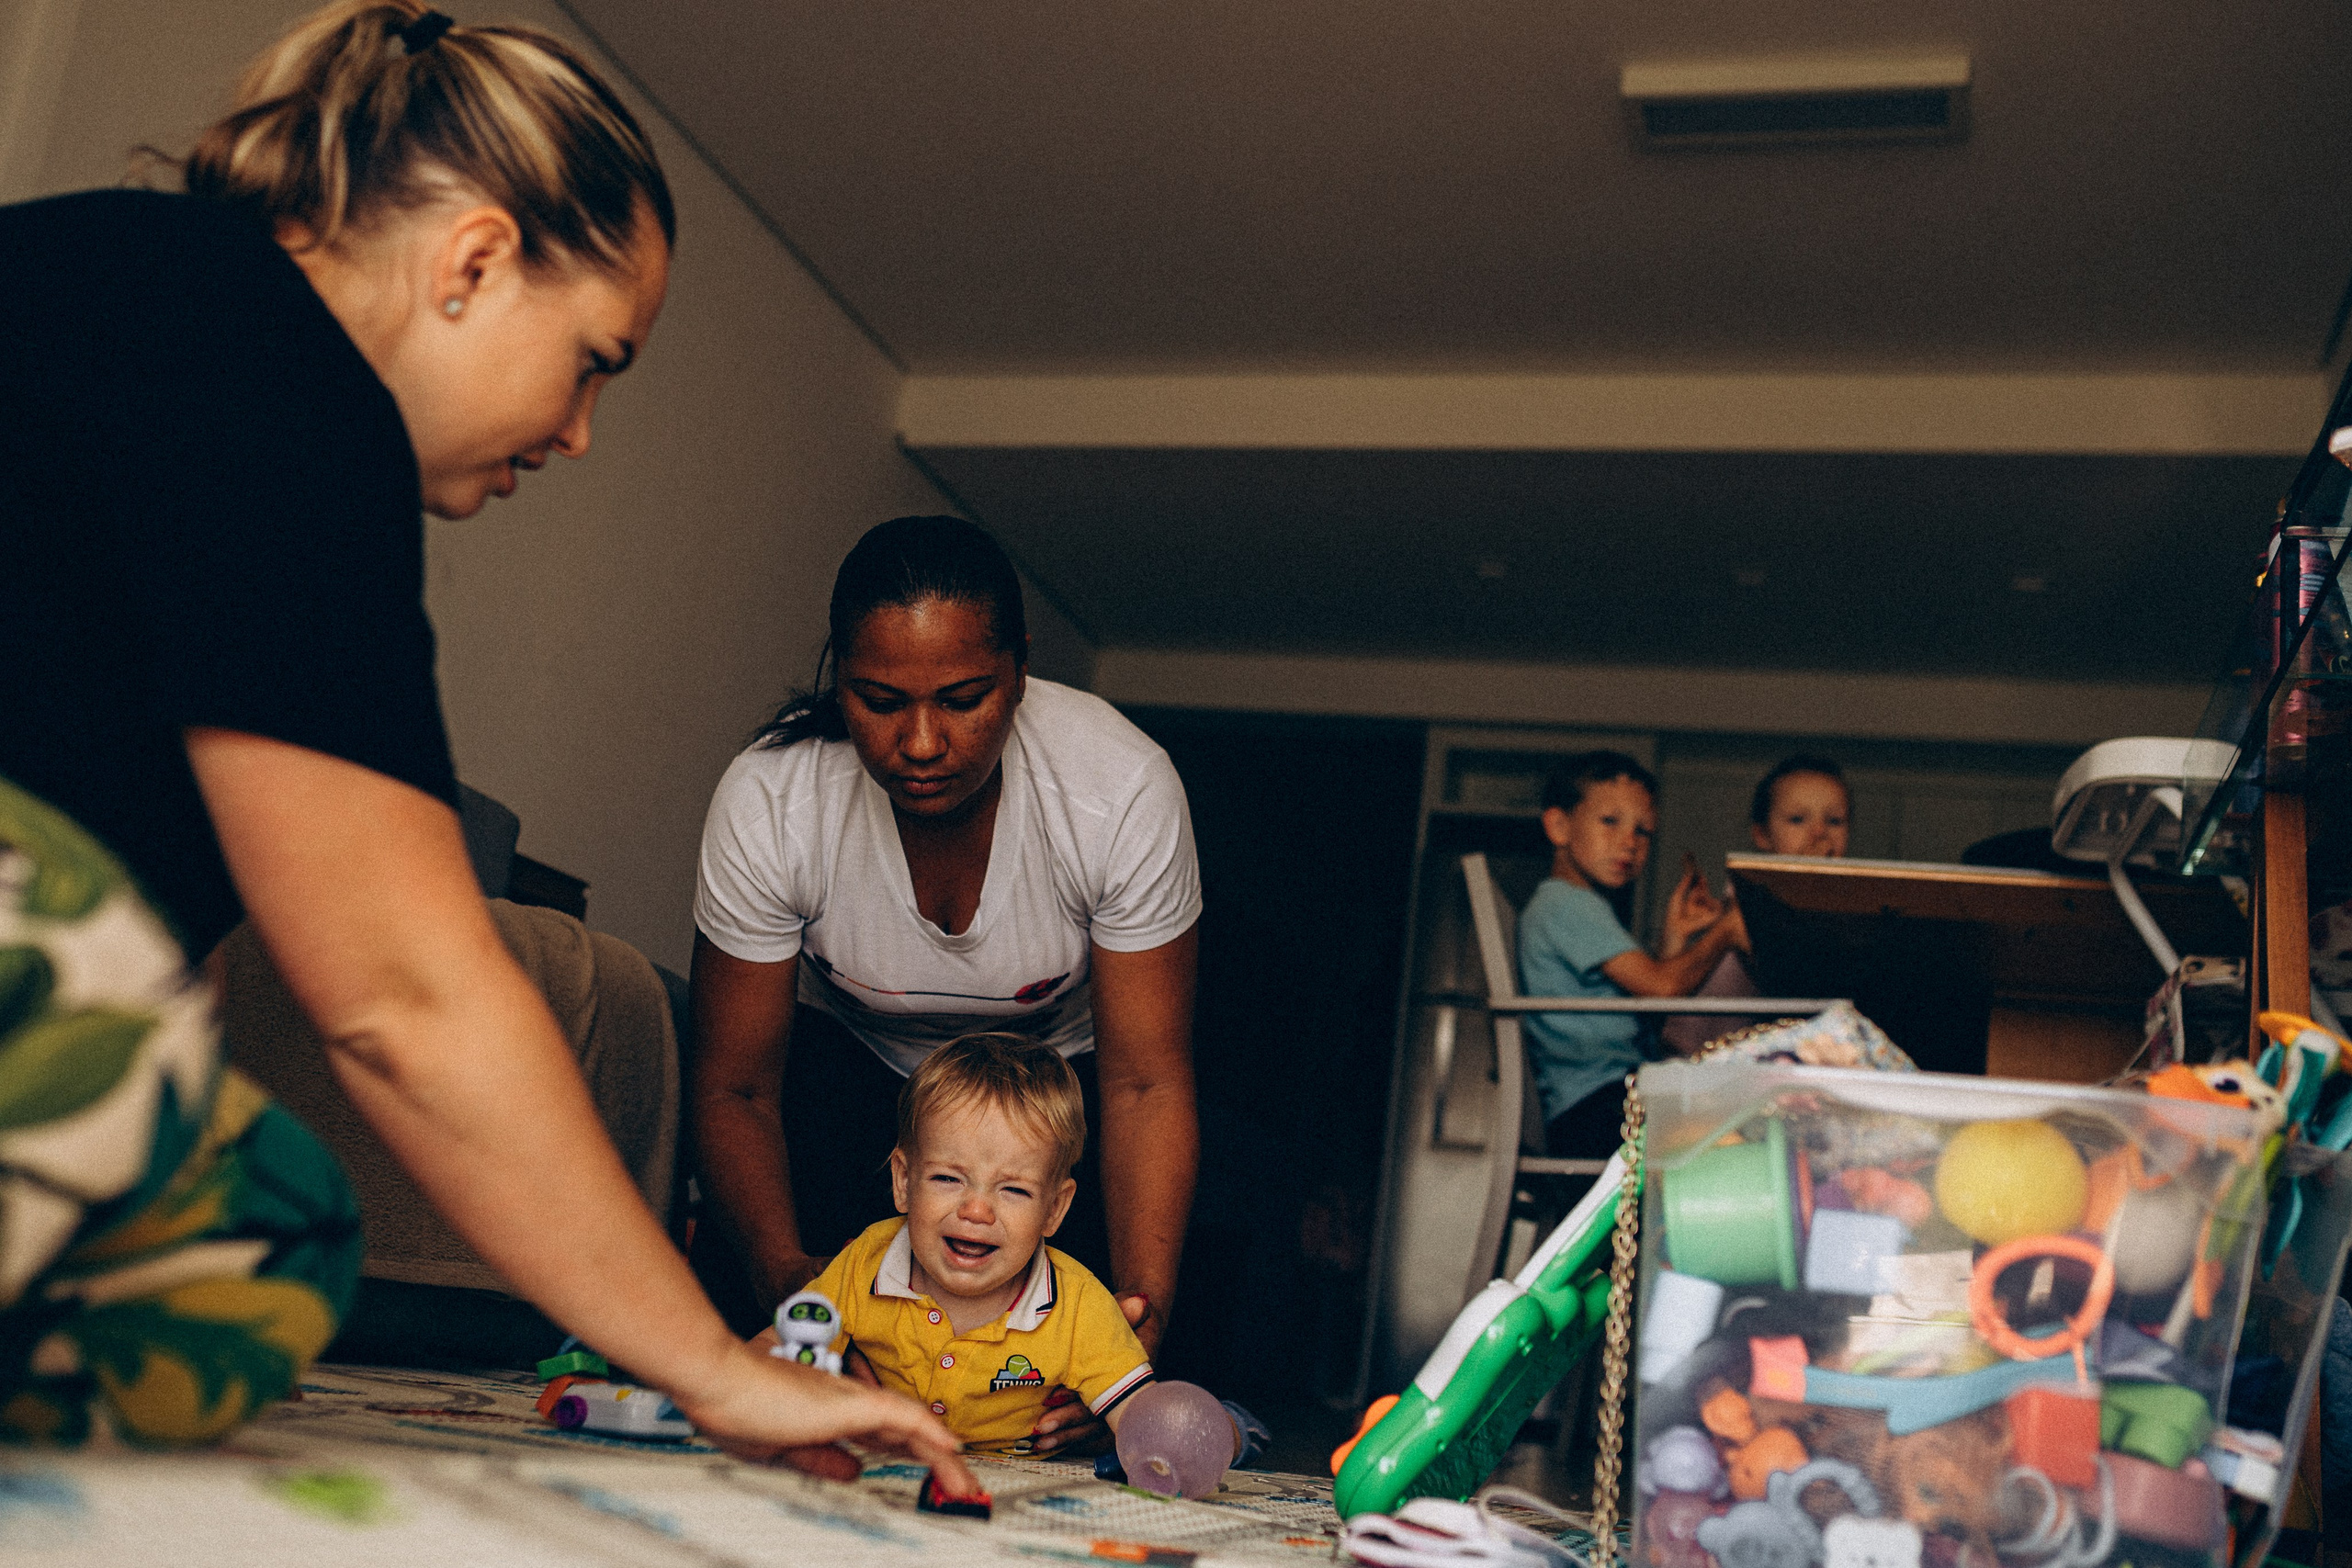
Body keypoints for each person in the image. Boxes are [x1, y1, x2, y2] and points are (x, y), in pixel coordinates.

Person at [0, 0, 967, 1479]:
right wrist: (716, 1363)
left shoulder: (139, 293)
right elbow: (399, 986)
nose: (580, 431)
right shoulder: (286, 383)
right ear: (473, 259)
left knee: (264, 1218)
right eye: (594, 360)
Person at [691, 515, 1202, 1457]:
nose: (920, 743)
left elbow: (1144, 1082)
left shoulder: (1119, 789)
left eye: (964, 699)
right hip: (854, 1074)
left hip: (1059, 1081)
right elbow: (735, 1086)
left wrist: (1141, 1327)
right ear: (836, 677)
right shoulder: (772, 800)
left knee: (1117, 1348)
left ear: (1020, 673)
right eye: (878, 700)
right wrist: (789, 1290)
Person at [799, 1033, 1159, 1452]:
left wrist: (1166, 1453)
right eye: (948, 1179)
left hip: (1018, 1489)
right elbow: (780, 1348)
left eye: (1014, 1190)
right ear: (903, 1181)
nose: (976, 1211)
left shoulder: (1078, 1304)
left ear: (1054, 1209)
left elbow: (1141, 1413)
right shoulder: (866, 1261)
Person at [1518, 752, 1748, 1158]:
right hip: (1598, 1110)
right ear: (1559, 826)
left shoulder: (1577, 907)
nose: (1629, 841)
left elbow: (1650, 1004)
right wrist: (1727, 932)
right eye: (1610, 821)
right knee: (1740, 1136)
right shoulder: (1567, 904)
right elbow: (1662, 988)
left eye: (1643, 832)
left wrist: (1674, 937)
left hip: (1602, 1104)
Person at [1659, 755, 1852, 1057]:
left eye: (1834, 821)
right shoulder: (1750, 892)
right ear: (1762, 835)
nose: (1819, 833)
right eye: (1798, 820)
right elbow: (1789, 972)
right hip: (1697, 1054)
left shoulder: (1841, 904)